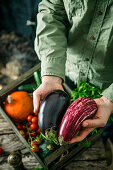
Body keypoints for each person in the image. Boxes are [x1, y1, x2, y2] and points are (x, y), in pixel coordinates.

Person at [33, 0, 113, 144]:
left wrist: (110, 98)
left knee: (106, 127)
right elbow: (53, 10)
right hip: (65, 69)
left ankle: (105, 140)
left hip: (108, 84)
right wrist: (51, 74)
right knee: (63, 111)